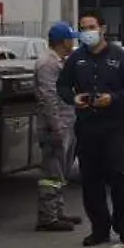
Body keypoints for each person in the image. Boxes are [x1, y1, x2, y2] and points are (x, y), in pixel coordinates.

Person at [56, 10, 124, 248]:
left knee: (118, 177)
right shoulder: (76, 59)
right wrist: (74, 98)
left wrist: (113, 98)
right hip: (87, 127)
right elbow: (62, 86)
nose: (87, 32)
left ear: (102, 29)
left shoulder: (119, 57)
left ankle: (122, 224)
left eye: (91, 27)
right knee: (91, 180)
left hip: (114, 127)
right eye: (83, 28)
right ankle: (99, 228)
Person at [33, 22, 84, 233]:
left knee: (60, 172)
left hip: (64, 123)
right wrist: (55, 127)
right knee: (51, 173)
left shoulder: (59, 61)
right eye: (71, 38)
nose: (73, 42)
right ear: (63, 41)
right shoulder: (48, 63)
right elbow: (48, 97)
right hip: (55, 127)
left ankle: (58, 211)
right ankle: (48, 216)